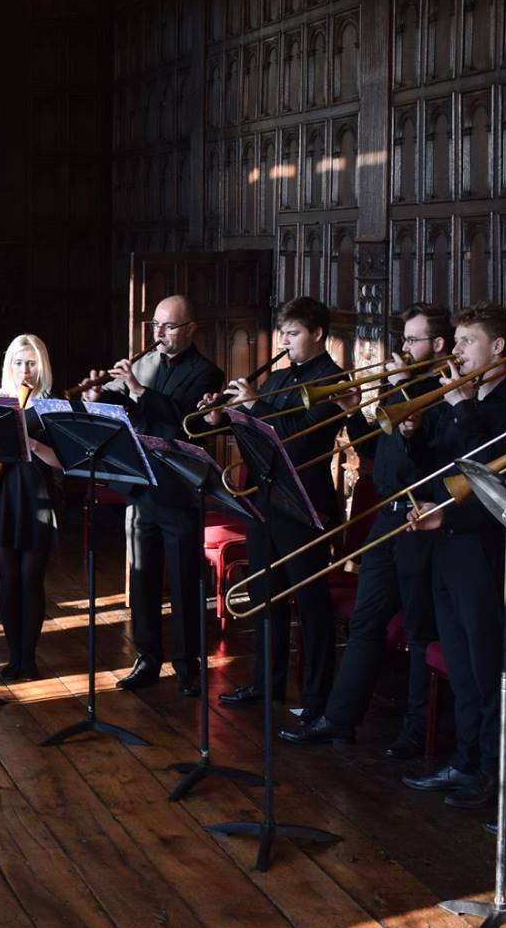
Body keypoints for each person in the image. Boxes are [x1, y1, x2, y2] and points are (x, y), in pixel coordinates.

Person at [280, 304, 449, 756]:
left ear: (438, 346)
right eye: (405, 339)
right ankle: (338, 720)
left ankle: (416, 734)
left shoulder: (446, 395)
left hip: (424, 522)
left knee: (418, 632)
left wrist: (410, 424)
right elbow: (375, 452)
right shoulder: (403, 390)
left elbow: (435, 466)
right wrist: (355, 411)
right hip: (388, 517)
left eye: (414, 341)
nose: (405, 348)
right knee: (365, 623)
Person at [403, 301, 506, 809]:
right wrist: (413, 436)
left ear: (498, 348)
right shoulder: (450, 402)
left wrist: (463, 409)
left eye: (467, 342)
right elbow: (435, 471)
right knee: (460, 667)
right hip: (444, 549)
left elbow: (496, 482)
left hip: (486, 552)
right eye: (458, 342)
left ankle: (493, 771)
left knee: (487, 671)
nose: (457, 351)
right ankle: (464, 760)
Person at [208, 296, 346, 714]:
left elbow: (303, 439)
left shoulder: (333, 380)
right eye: (282, 333)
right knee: (266, 596)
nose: (284, 342)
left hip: (305, 503)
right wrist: (225, 418)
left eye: (293, 333)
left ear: (318, 333)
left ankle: (318, 697)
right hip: (266, 501)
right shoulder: (277, 378)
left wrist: (253, 405)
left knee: (310, 604)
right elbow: (258, 437)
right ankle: (266, 685)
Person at [82, 294, 224, 694]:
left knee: (183, 580)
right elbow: (129, 407)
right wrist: (98, 397)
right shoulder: (149, 365)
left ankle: (188, 663)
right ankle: (147, 658)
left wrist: (136, 387)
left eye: (169, 326)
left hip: (180, 489)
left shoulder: (206, 372)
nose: (159, 333)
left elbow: (183, 418)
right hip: (141, 483)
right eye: (156, 326)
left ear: (190, 329)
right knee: (142, 579)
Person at [0, 334, 63, 680]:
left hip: (37, 497)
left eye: (31, 363)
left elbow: (62, 463)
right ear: (9, 366)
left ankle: (28, 658)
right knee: (8, 578)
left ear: (41, 366)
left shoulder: (51, 406)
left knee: (31, 579)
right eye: (18, 363)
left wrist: (32, 444)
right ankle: (13, 656)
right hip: (3, 498)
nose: (25, 370)